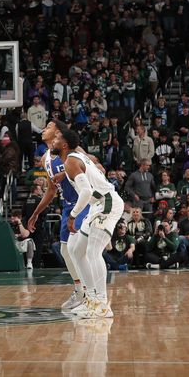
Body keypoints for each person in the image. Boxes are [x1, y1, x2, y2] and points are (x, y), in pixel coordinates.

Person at [57, 128, 124, 318]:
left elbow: (85, 192)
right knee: (77, 250)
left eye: (57, 139)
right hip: (97, 205)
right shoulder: (74, 155)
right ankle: (91, 300)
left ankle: (102, 305)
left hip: (107, 203)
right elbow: (86, 157)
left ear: (64, 145)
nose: (53, 142)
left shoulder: (71, 160)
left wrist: (73, 216)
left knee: (93, 252)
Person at [27, 120, 89, 311]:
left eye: (49, 126)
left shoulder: (72, 148)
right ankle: (80, 291)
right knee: (65, 251)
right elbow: (52, 190)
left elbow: (91, 165)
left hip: (84, 202)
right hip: (67, 206)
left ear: (59, 132)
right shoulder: (46, 158)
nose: (44, 129)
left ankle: (90, 295)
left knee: (77, 250)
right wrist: (36, 213)